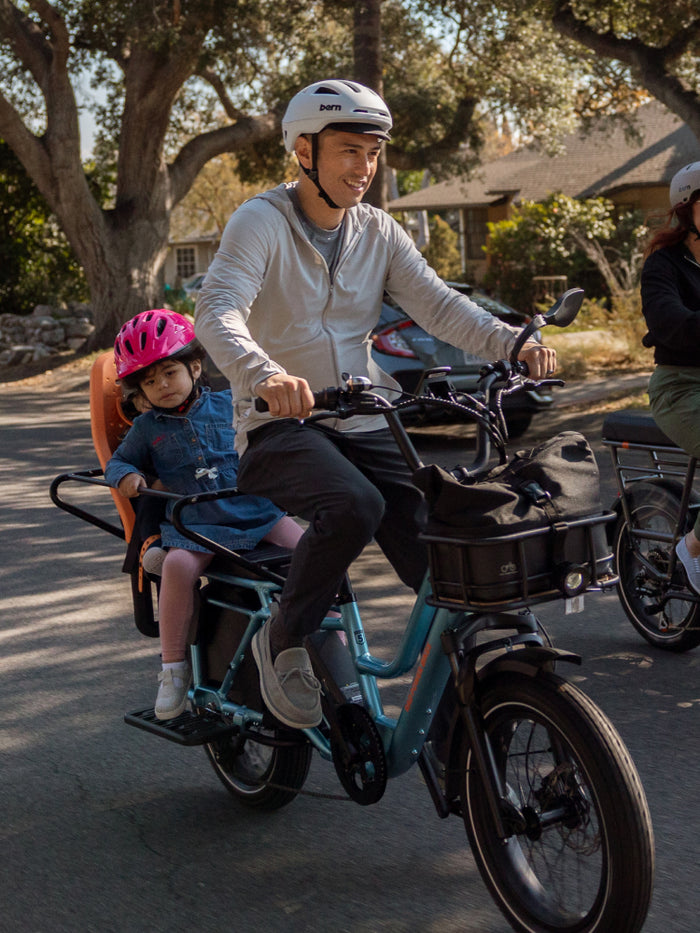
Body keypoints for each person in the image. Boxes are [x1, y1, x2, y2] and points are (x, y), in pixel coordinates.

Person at [194, 79, 556, 731]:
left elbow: (441, 305)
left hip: (366, 416)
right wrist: (264, 372)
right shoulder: (261, 222)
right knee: (353, 504)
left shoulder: (378, 232)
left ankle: (463, 739)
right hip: (282, 426)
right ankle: (283, 633)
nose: (364, 168)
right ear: (304, 151)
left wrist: (511, 341)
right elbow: (218, 311)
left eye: (373, 153)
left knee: (442, 554)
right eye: (349, 151)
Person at [104, 309, 303, 720]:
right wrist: (126, 475)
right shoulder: (146, 427)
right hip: (196, 525)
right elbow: (118, 462)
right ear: (139, 388)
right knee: (177, 567)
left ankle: (319, 632)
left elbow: (273, 430)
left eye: (169, 372)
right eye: (149, 380)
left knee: (311, 550)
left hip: (257, 511)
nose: (161, 386)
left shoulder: (232, 401)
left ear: (195, 367)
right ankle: (173, 668)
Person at [641, 160, 700, 596]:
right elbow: (668, 322)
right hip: (681, 387)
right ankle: (693, 548)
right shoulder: (664, 265)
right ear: (687, 209)